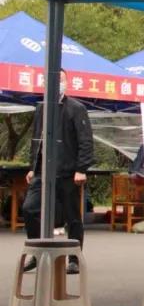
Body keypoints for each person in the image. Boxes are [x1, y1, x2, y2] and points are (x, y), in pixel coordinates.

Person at [21, 69, 94, 274]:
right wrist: (33, 167)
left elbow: (86, 141)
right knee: (29, 208)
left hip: (68, 172)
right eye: (50, 79)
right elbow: (37, 140)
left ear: (67, 82)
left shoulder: (76, 108)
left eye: (59, 79)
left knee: (72, 216)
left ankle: (74, 259)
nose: (55, 83)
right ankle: (37, 252)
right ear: (44, 83)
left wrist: (81, 168)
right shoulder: (41, 108)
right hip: (43, 172)